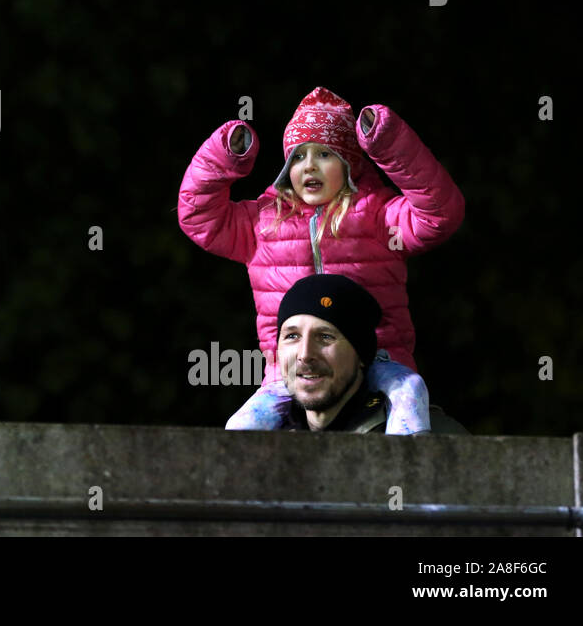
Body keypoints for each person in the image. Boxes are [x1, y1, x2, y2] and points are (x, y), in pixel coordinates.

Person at [178, 86, 464, 433]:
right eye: (298, 157)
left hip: (381, 354)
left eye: (325, 154)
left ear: (349, 165)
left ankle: (408, 476)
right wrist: (226, 155)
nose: (309, 165)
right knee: (241, 426)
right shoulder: (264, 223)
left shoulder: (377, 216)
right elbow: (198, 216)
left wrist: (389, 143)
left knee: (410, 392)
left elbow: (440, 212)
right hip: (289, 370)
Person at [274, 273, 466, 433]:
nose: (305, 354)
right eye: (292, 336)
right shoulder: (265, 443)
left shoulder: (441, 440)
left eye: (325, 337)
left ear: (361, 354)